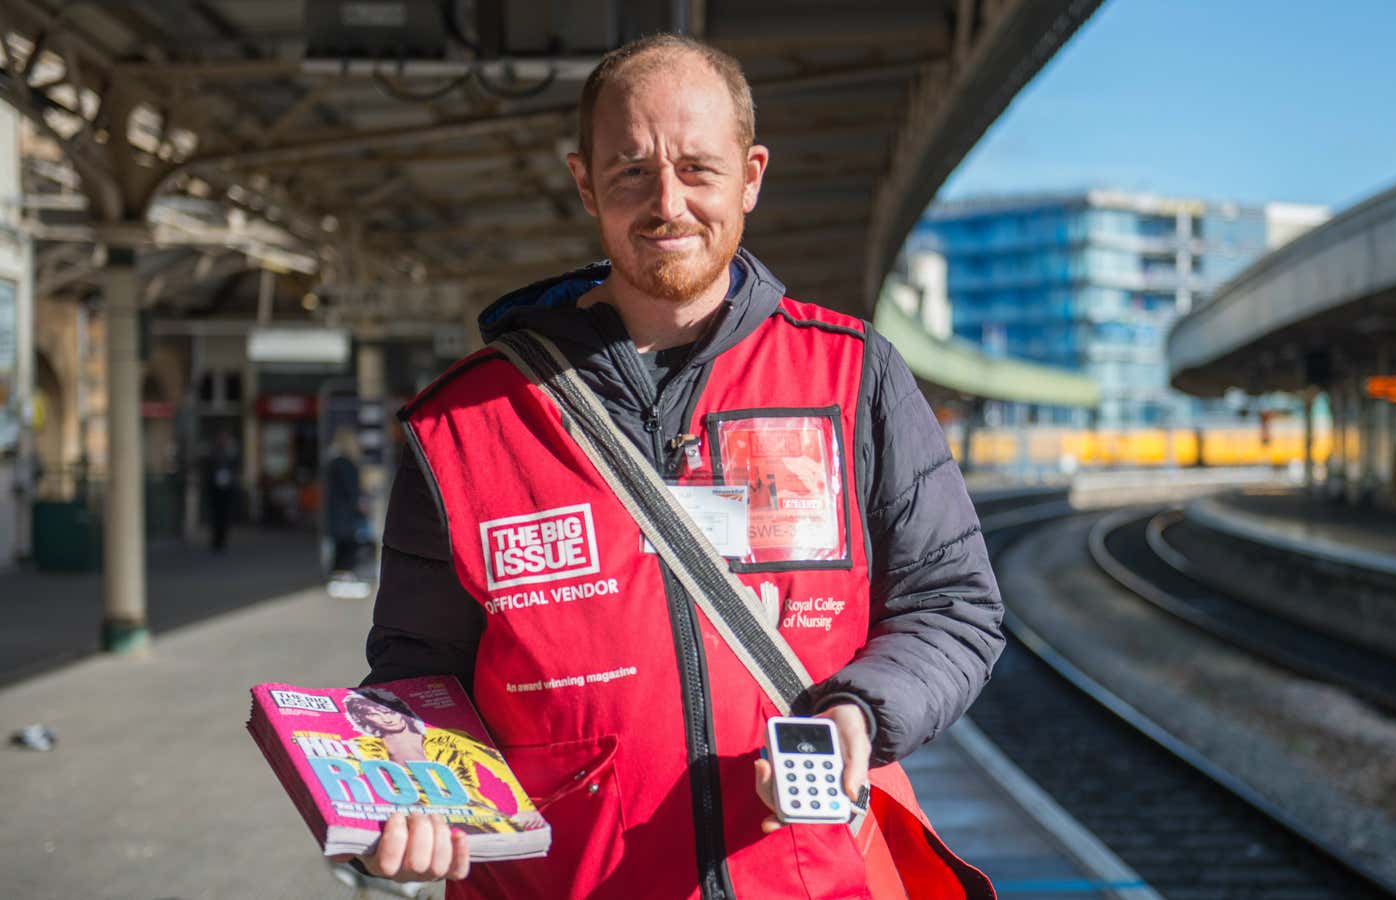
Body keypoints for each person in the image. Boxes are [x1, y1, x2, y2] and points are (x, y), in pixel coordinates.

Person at [358, 34, 1004, 899]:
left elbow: (953, 605)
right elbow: (418, 670)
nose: (668, 203)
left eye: (698, 168)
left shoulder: (853, 375)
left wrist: (859, 713)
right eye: (631, 172)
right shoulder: (464, 423)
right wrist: (401, 796)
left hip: (815, 882)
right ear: (585, 182)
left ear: (752, 175)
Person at [340, 689, 545, 834]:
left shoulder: (450, 738)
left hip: (482, 820)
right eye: (373, 715)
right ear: (366, 722)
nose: (385, 717)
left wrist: (522, 808)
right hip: (410, 826)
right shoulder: (362, 747)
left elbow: (499, 770)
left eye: (386, 710)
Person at [324, 428, 366, 577]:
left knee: (339, 549)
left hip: (336, 514)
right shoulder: (346, 463)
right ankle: (343, 576)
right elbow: (352, 490)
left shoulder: (333, 462)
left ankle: (337, 575)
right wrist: (361, 505)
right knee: (347, 549)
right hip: (346, 515)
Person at [203, 430, 239, 552]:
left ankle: (222, 539)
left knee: (225, 515)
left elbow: (235, 466)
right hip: (216, 489)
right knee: (217, 515)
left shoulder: (231, 452)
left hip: (227, 488)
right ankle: (216, 540)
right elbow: (209, 468)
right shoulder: (214, 452)